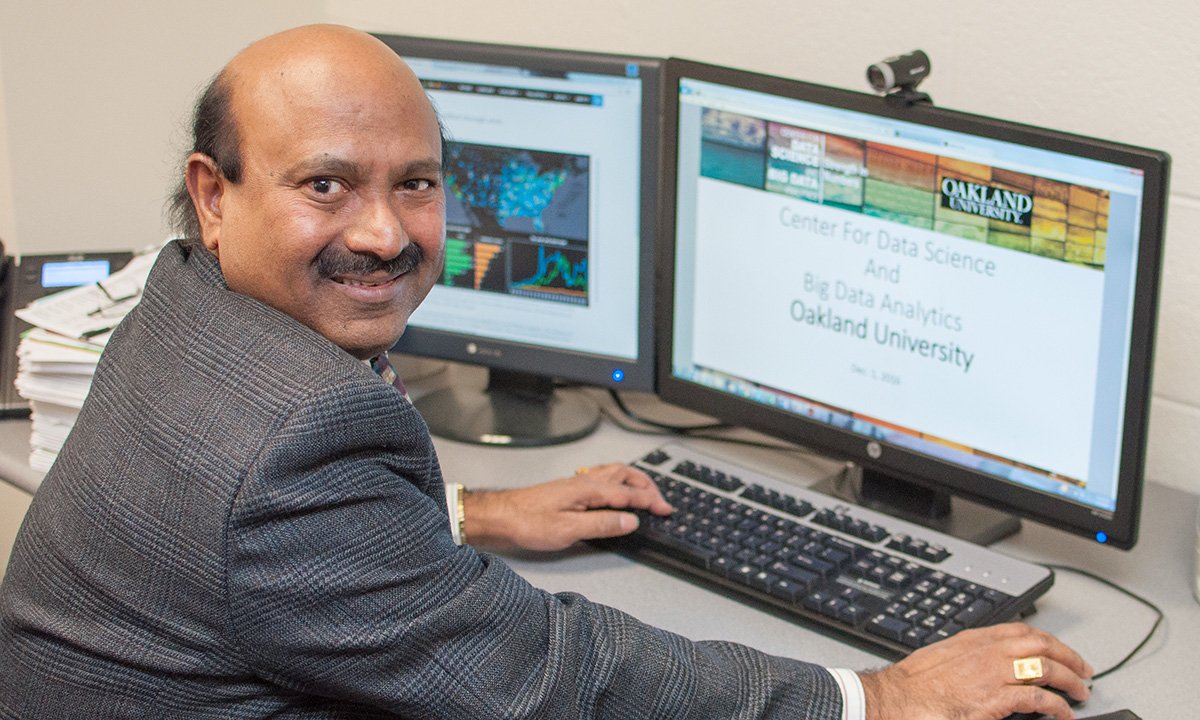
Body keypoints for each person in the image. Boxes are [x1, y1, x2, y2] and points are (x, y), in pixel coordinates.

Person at [0, 24, 1093, 720]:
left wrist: (467, 510)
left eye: (417, 183)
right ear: (213, 191)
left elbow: (273, 547)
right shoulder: (297, 440)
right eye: (326, 186)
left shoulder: (181, 304)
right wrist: (880, 697)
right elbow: (550, 676)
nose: (384, 233)